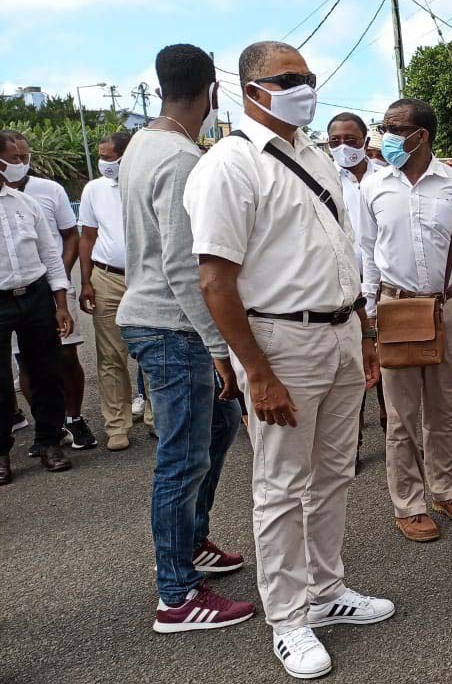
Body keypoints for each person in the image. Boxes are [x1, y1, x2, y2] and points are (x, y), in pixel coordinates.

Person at [188, 40, 392, 680]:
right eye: (289, 79)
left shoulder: (315, 155)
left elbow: (342, 250)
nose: (305, 87)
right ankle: (288, 619)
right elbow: (215, 280)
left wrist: (363, 334)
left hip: (339, 331)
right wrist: (256, 370)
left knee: (332, 475)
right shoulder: (231, 164)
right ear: (252, 90)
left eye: (308, 76)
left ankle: (326, 592)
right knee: (280, 488)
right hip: (281, 342)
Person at [117, 43, 254, 634]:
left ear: (159, 87)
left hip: (160, 320)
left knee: (219, 428)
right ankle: (176, 595)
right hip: (172, 327)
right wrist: (221, 348)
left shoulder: (141, 145)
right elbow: (182, 265)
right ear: (214, 90)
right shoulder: (178, 158)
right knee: (182, 457)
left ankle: (192, 542)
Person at [359, 98, 452, 543]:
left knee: (447, 407)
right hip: (395, 308)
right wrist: (369, 316)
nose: (385, 136)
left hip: (447, 305)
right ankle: (408, 504)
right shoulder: (373, 186)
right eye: (384, 126)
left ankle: (447, 488)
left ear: (420, 135)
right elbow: (366, 253)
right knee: (401, 413)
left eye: (394, 128)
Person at [1, 130, 94, 451]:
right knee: (12, 373)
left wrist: (60, 295)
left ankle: (59, 433)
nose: (21, 162)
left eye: (23, 156)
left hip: (40, 293)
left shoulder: (35, 198)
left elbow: (58, 246)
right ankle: (13, 448)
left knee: (54, 364)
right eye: (14, 157)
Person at [80, 131, 152, 451]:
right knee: (111, 355)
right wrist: (85, 281)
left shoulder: (147, 182)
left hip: (146, 277)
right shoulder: (94, 190)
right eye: (100, 156)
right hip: (107, 278)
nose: (103, 163)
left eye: (108, 157)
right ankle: (117, 424)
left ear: (127, 156)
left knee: (153, 350)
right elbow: (87, 237)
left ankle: (156, 418)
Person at [327, 112, 386, 444]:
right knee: (353, 365)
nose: (343, 147)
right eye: (335, 141)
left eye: (350, 140)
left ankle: (392, 431)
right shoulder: (324, 180)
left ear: (365, 140)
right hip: (344, 287)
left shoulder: (386, 176)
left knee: (387, 362)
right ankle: (355, 443)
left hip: (385, 284)